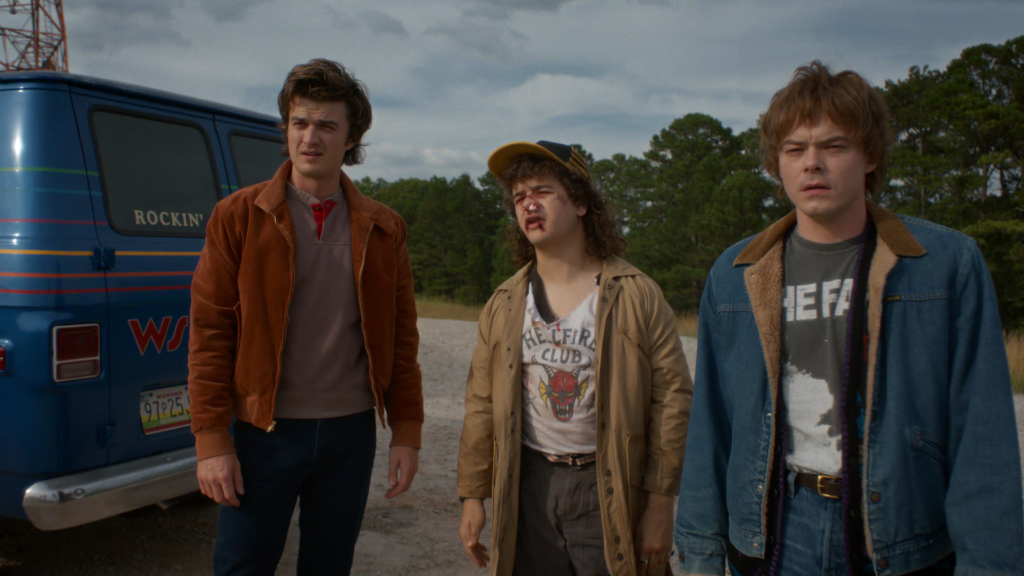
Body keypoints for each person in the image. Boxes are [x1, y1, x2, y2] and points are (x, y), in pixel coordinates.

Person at [674, 61, 1024, 576]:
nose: (812, 164)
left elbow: (983, 437)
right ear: (777, 164)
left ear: (870, 155)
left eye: (834, 146)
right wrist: (701, 555)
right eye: (795, 149)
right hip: (780, 530)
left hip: (903, 537)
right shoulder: (735, 275)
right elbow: (710, 430)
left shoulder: (944, 265)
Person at [187, 58, 423, 576]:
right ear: (286, 128)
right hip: (262, 432)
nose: (309, 137)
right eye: (299, 123)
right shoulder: (237, 217)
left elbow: (402, 338)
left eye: (326, 126)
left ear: (352, 137)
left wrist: (406, 431)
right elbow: (209, 334)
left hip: (350, 435)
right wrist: (211, 440)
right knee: (241, 567)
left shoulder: (385, 228)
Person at [457, 140, 693, 576]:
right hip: (529, 483)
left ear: (582, 202)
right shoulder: (504, 302)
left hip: (606, 486)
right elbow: (481, 403)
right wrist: (473, 494)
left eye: (542, 192)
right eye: (519, 197)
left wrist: (660, 503)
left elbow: (672, 401)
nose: (529, 204)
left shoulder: (638, 295)